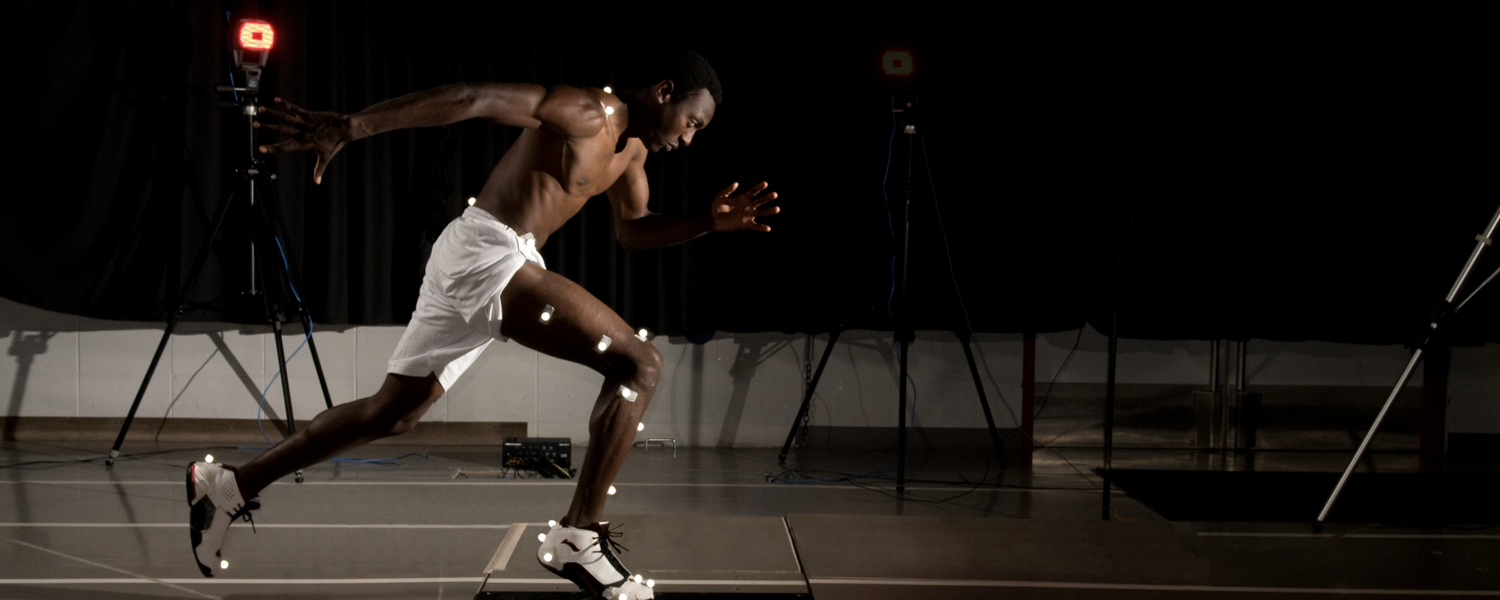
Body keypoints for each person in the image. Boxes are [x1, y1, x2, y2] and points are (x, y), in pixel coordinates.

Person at [185, 50, 777, 599]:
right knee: (638, 364)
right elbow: (471, 96)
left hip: (484, 258)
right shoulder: (586, 110)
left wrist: (705, 222)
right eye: (692, 122)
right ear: (665, 91)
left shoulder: (634, 154)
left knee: (392, 414)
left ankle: (231, 486)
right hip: (487, 252)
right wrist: (351, 125)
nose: (689, 138)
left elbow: (633, 230)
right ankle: (579, 535)